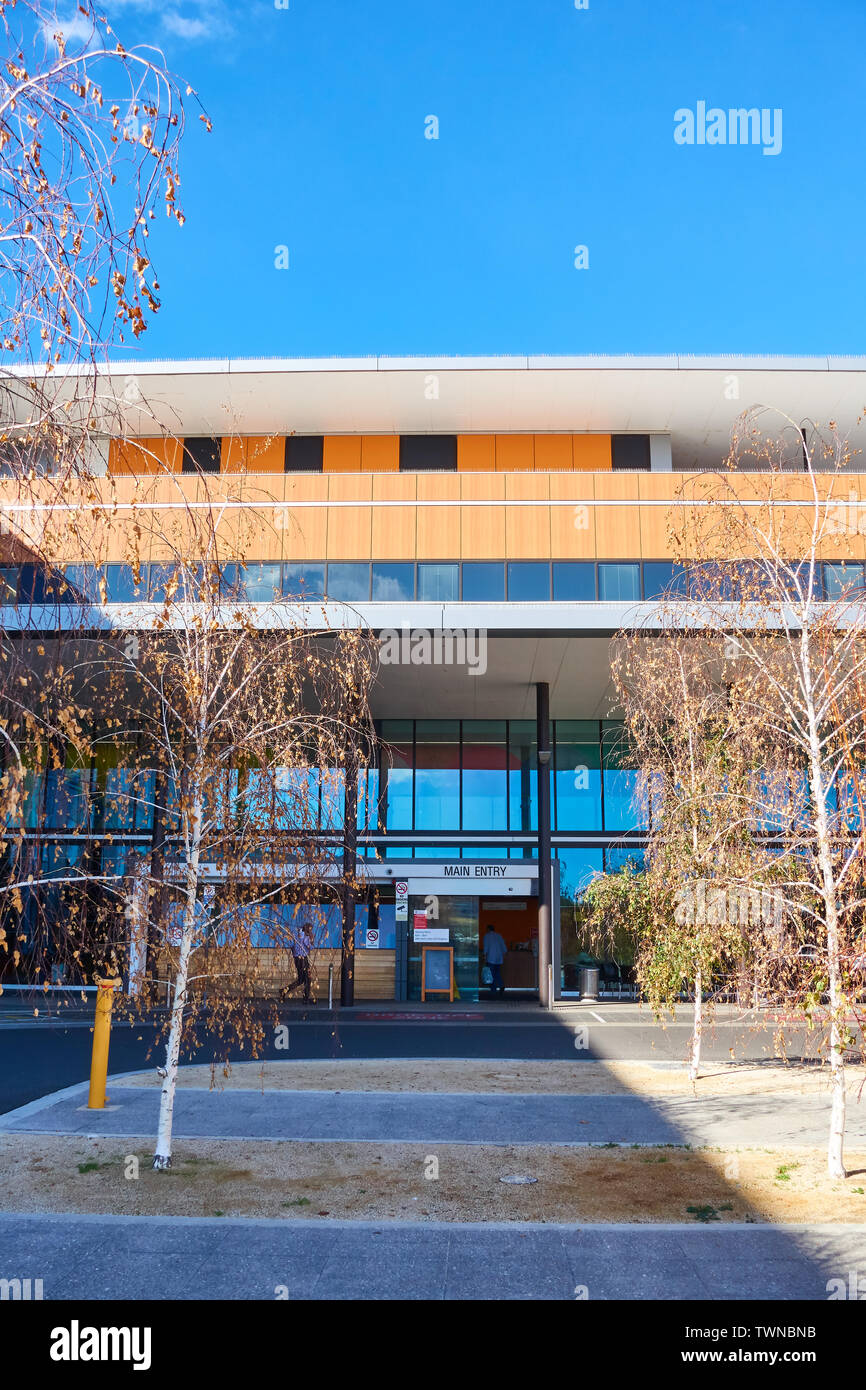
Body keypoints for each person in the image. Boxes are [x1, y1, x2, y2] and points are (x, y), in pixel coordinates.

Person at [482, 922, 507, 999]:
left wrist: (484, 955)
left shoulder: (487, 936)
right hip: (499, 958)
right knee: (497, 973)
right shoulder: (499, 936)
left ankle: (493, 990)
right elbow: (504, 947)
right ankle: (501, 985)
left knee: (491, 975)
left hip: (491, 958)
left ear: (488, 929)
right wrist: (504, 953)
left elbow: (486, 947)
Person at [291, 921, 313, 1004]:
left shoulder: (296, 935)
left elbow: (291, 946)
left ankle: (283, 991)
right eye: (310, 930)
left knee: (301, 980)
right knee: (307, 979)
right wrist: (312, 940)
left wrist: (295, 954)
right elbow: (310, 947)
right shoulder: (306, 937)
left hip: (297, 959)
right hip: (303, 959)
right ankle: (305, 999)